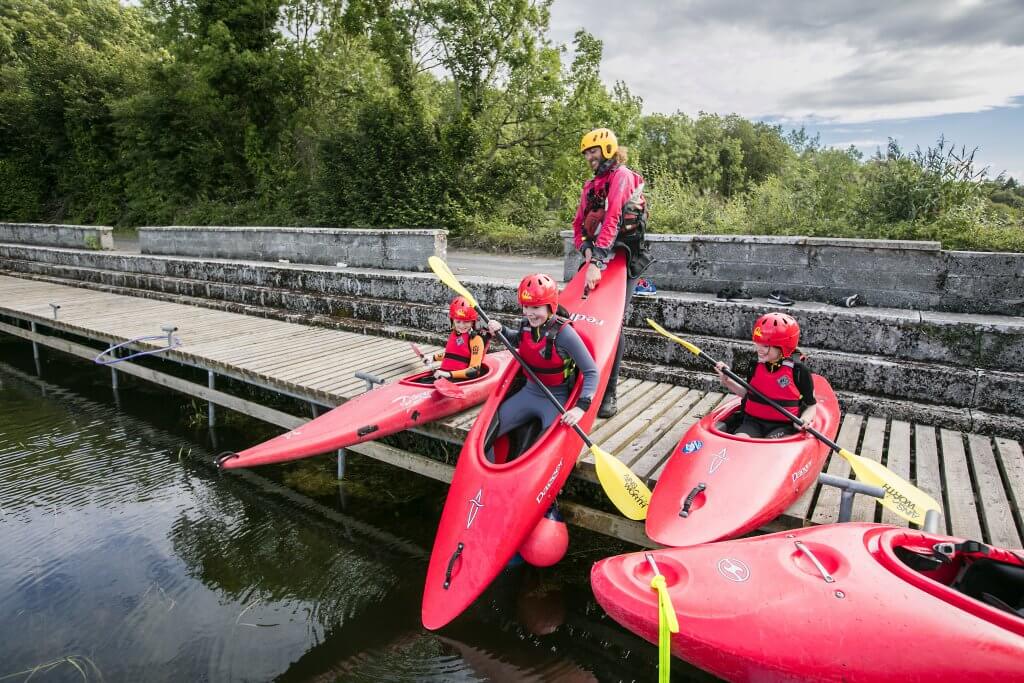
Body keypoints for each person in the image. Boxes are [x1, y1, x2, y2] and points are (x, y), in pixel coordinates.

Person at [572, 127, 652, 418]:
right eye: (586, 154)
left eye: (593, 151)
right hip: (598, 257)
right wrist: (586, 251)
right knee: (578, 318)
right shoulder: (590, 186)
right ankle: (577, 380)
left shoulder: (622, 176)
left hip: (624, 259)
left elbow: (615, 218)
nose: (589, 157)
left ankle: (609, 393)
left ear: (607, 149)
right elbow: (578, 225)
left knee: (612, 325)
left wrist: (597, 262)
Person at [484, 273, 599, 459]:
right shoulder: (526, 325)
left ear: (550, 306)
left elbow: (591, 372)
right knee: (486, 434)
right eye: (526, 306)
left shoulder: (565, 334)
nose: (530, 313)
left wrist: (580, 408)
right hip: (528, 392)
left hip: (556, 398)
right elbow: (519, 340)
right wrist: (502, 331)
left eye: (536, 307)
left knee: (542, 452)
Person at [714, 312, 817, 439]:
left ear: (783, 347)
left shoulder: (798, 371)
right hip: (753, 422)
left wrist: (804, 419)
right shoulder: (755, 364)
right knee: (741, 440)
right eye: (757, 344)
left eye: (766, 346)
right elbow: (749, 394)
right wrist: (727, 380)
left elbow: (811, 405)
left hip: (783, 426)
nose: (759, 350)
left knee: (768, 447)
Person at [425, 296, 490, 381]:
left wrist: (449, 374)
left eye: (466, 322)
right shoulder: (455, 334)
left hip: (459, 379)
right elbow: (453, 356)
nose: (462, 326)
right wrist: (433, 358)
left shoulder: (476, 340)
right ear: (452, 321)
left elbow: (474, 370)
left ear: (473, 322)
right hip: (444, 375)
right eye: (458, 321)